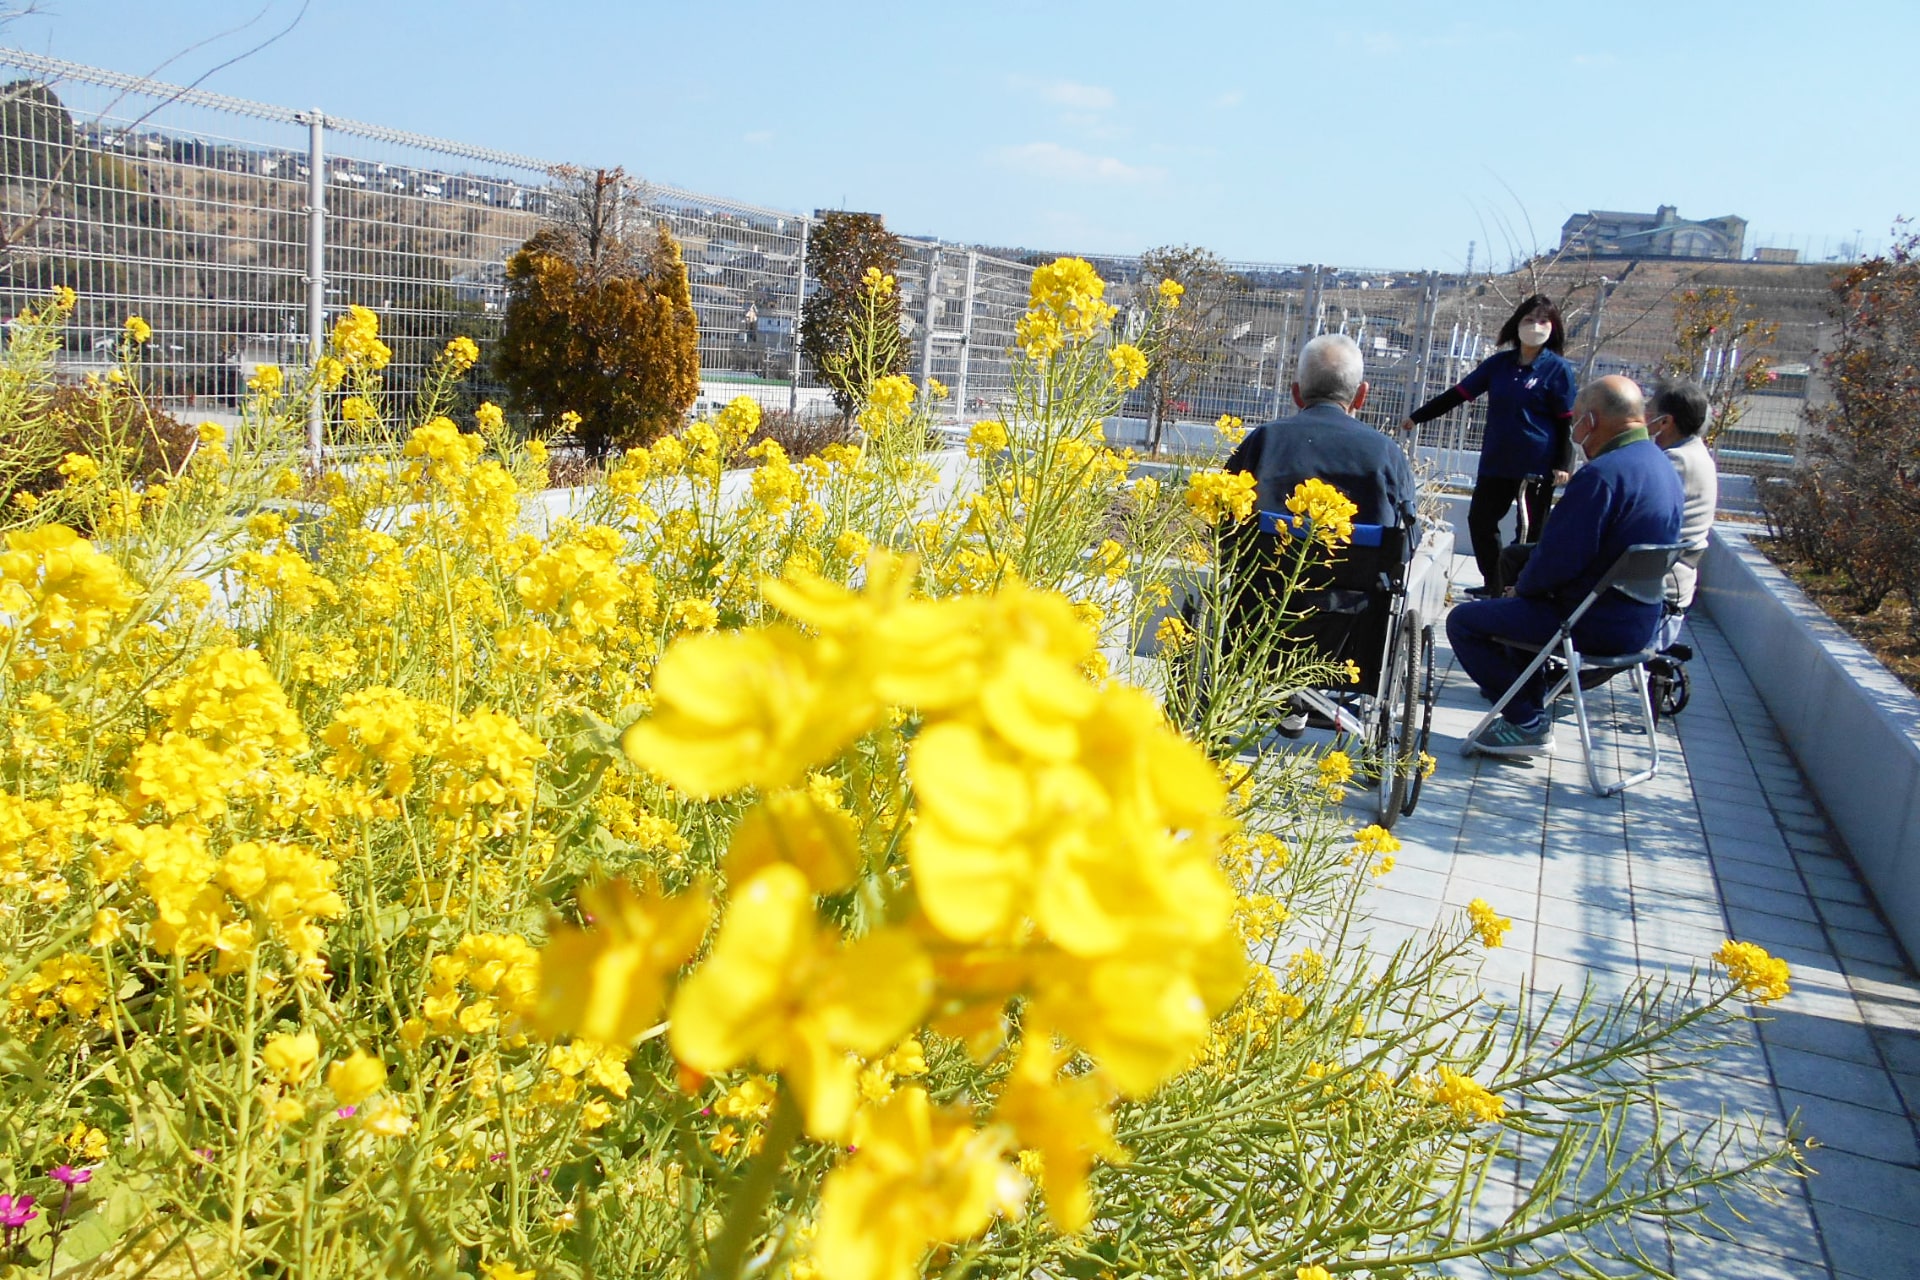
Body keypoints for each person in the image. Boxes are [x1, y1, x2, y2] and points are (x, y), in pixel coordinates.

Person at [1446, 375, 1684, 756]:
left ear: (1591, 420)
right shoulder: (1662, 467)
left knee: (1465, 622)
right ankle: (1528, 698)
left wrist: (1519, 590)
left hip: (1593, 623)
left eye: (1576, 423)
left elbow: (1560, 559)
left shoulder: (1602, 475)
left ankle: (1526, 721)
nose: (1574, 433)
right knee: (1520, 583)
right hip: (1640, 619)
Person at [1402, 295, 1577, 597]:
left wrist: (1564, 463)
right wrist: (1417, 417)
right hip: (1497, 460)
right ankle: (1495, 583)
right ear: (1516, 324)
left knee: (1529, 530)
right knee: (1481, 521)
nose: (1535, 326)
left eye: (1543, 321)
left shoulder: (1557, 369)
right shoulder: (1499, 364)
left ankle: (1519, 587)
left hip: (1536, 464)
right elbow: (1458, 394)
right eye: (1529, 319)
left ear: (1554, 328)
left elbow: (1565, 421)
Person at [1226, 332, 1417, 531]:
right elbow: (1406, 537)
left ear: (1296, 394)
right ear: (1361, 396)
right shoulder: (1386, 453)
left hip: (1264, 561)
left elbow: (1221, 517)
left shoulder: (1263, 441)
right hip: (1358, 561)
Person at [1648, 379, 1716, 650]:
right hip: (1672, 573)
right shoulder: (1695, 453)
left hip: (1658, 580)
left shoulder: (1676, 461)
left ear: (1666, 421)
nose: (1646, 416)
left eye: (1651, 411)